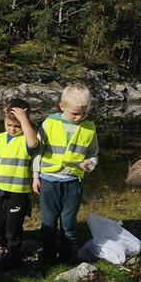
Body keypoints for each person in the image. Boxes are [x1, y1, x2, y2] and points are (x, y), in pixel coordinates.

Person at [32, 83, 98, 264]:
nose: (79, 118)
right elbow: (38, 151)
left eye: (83, 113)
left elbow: (93, 152)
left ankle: (68, 254)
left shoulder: (89, 128)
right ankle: (47, 254)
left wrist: (90, 164)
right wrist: (35, 176)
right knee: (48, 221)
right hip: (48, 180)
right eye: (75, 113)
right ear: (62, 106)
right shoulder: (49, 123)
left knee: (69, 222)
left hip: (72, 182)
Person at [0, 98, 38, 269]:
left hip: (17, 193)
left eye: (16, 126)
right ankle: (0, 248)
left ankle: (14, 253)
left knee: (13, 227)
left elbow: (33, 142)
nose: (12, 129)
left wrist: (24, 120)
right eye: (9, 124)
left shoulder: (26, 138)